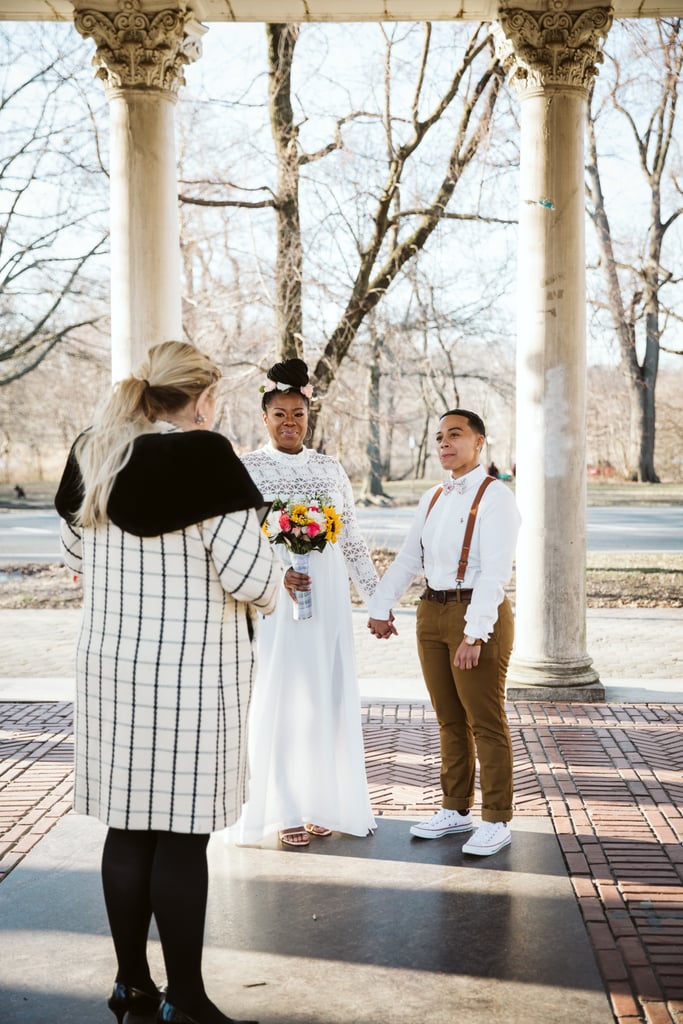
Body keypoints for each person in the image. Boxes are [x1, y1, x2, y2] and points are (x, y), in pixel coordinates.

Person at [54, 341, 282, 1024]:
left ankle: (131, 987)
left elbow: (72, 552)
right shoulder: (208, 458)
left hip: (109, 669)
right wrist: (272, 577)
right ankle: (185, 998)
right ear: (203, 398)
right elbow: (249, 579)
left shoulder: (96, 448)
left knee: (128, 830)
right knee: (182, 837)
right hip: (191, 675)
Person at [226, 358, 377, 848]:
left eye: (298, 414)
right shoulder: (246, 469)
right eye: (280, 415)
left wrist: (376, 599)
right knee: (280, 699)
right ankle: (283, 807)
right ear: (264, 417)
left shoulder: (329, 468)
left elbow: (351, 538)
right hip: (274, 601)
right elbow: (238, 542)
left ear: (308, 417)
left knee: (324, 700)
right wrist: (274, 575)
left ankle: (320, 801)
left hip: (326, 600)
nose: (290, 423)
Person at [368, 409, 520, 857]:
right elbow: (408, 558)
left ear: (479, 442)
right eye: (438, 437)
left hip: (477, 613)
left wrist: (474, 634)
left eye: (455, 435)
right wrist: (381, 606)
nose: (444, 444)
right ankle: (456, 809)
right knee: (449, 719)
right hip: (431, 613)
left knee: (486, 720)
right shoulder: (434, 495)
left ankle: (496, 818)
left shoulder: (497, 497)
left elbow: (496, 573)